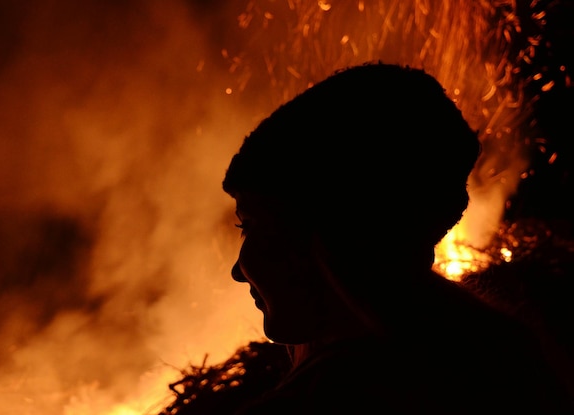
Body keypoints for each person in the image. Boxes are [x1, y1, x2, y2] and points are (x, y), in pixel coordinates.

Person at [221, 61, 573, 414]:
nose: (239, 270)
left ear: (333, 235)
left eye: (249, 226)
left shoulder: (333, 400)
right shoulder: (507, 363)